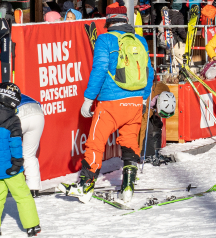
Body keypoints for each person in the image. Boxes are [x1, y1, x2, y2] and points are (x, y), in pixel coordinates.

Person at [65, 14, 154, 201]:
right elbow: (149, 71)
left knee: (95, 143)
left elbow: (99, 68)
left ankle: (85, 187)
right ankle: (128, 187)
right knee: (130, 142)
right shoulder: (139, 40)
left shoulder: (105, 39)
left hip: (111, 103)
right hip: (136, 101)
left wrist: (89, 98)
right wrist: (144, 98)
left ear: (109, 25)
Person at [0, 82, 40, 238]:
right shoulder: (12, 120)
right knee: (22, 195)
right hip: (10, 166)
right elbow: (15, 143)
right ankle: (32, 225)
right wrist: (18, 162)